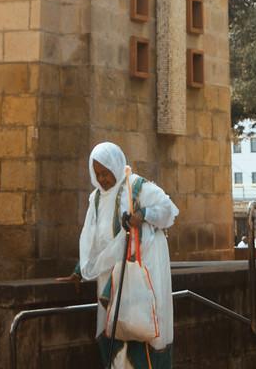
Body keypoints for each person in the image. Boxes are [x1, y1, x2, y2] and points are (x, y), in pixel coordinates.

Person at [78, 141, 178, 367]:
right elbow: (92, 237)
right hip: (109, 274)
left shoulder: (138, 187)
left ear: (116, 166)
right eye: (98, 174)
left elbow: (167, 210)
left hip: (141, 273)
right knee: (114, 330)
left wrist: (143, 214)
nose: (102, 179)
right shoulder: (95, 199)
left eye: (106, 173)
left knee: (141, 326)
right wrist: (80, 269)